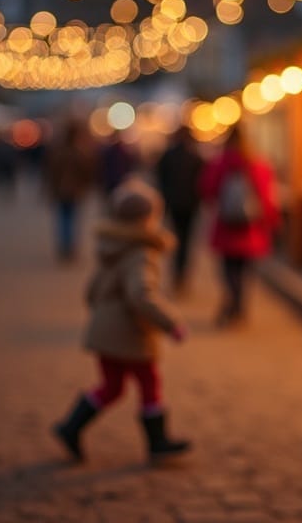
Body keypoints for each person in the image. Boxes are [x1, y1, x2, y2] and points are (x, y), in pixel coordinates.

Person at [52, 177, 191, 463]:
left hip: (105, 334)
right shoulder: (142, 253)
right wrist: (171, 323)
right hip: (131, 335)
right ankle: (157, 441)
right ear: (149, 219)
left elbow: (91, 292)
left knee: (112, 387)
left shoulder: (111, 248)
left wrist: (102, 318)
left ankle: (71, 426)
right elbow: (141, 295)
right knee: (149, 382)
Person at [198, 123, 279, 326]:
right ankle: (239, 307)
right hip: (251, 229)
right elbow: (266, 196)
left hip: (226, 225)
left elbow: (207, 189)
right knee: (245, 270)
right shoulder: (258, 164)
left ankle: (232, 303)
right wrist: (272, 221)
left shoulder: (219, 163)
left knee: (228, 268)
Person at [155, 125, 204, 294]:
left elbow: (160, 179)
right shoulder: (195, 157)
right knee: (187, 241)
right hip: (190, 205)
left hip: (174, 204)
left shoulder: (168, 156)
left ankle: (177, 273)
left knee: (176, 238)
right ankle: (182, 274)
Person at [43, 119, 98, 262]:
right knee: (72, 219)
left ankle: (64, 246)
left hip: (61, 190)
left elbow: (51, 172)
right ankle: (70, 247)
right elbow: (88, 171)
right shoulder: (80, 152)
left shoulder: (58, 152)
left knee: (63, 219)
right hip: (75, 191)